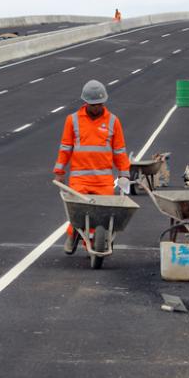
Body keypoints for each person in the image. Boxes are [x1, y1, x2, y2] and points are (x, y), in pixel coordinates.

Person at [54, 80, 131, 252]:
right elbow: (65, 147)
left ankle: (96, 243)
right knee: (78, 214)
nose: (96, 107)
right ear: (85, 102)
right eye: (93, 104)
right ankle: (72, 234)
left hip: (103, 180)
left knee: (102, 216)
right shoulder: (72, 120)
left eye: (99, 104)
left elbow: (119, 151)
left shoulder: (113, 121)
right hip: (79, 178)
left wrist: (124, 174)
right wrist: (59, 171)